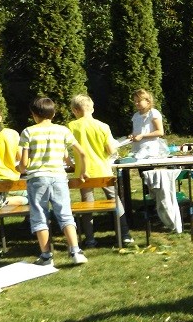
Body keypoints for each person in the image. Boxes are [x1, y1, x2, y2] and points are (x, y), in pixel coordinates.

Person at [18, 97, 89, 267]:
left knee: (39, 216)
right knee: (65, 213)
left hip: (37, 178)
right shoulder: (62, 130)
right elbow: (82, 153)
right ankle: (75, 251)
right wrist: (83, 171)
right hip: (58, 177)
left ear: (34, 114)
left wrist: (19, 168)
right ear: (54, 113)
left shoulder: (28, 132)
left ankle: (46, 256)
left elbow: (24, 163)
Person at [68, 94, 134, 247]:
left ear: (75, 110)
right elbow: (110, 150)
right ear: (92, 108)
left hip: (83, 172)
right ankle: (124, 234)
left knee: (86, 204)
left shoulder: (71, 126)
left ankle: (90, 238)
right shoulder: (103, 126)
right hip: (103, 170)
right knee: (115, 201)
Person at [128, 89, 166, 159]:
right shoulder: (136, 115)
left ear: (148, 101)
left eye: (139, 101)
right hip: (137, 150)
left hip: (149, 151)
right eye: (135, 101)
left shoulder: (153, 113)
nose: (136, 103)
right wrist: (132, 135)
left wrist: (142, 136)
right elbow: (137, 131)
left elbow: (160, 132)